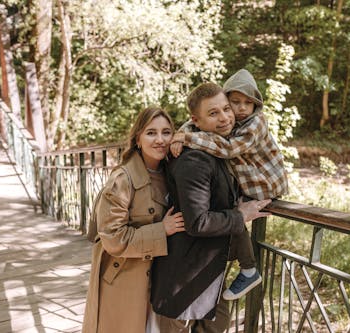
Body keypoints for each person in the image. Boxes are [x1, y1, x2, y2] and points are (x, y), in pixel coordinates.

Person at [150, 82, 271, 332]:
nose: (225, 117)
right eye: (213, 113)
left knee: (219, 324)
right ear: (196, 120)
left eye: (226, 109)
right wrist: (239, 216)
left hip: (206, 272)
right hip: (185, 280)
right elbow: (198, 222)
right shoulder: (194, 159)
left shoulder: (215, 149)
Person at [170, 68, 288, 301]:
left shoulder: (256, 123)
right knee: (233, 213)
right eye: (234, 102)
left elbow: (229, 149)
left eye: (248, 103)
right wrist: (180, 133)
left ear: (257, 104)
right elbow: (193, 123)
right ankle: (245, 266)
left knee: (236, 213)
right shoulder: (229, 122)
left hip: (264, 185)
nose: (240, 109)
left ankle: (247, 267)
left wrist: (187, 138)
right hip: (247, 180)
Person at [81, 107, 186, 333]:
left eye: (166, 132)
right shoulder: (122, 179)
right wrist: (162, 230)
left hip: (162, 281)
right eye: (151, 133)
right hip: (125, 281)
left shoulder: (174, 173)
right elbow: (113, 237)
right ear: (138, 138)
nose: (160, 140)